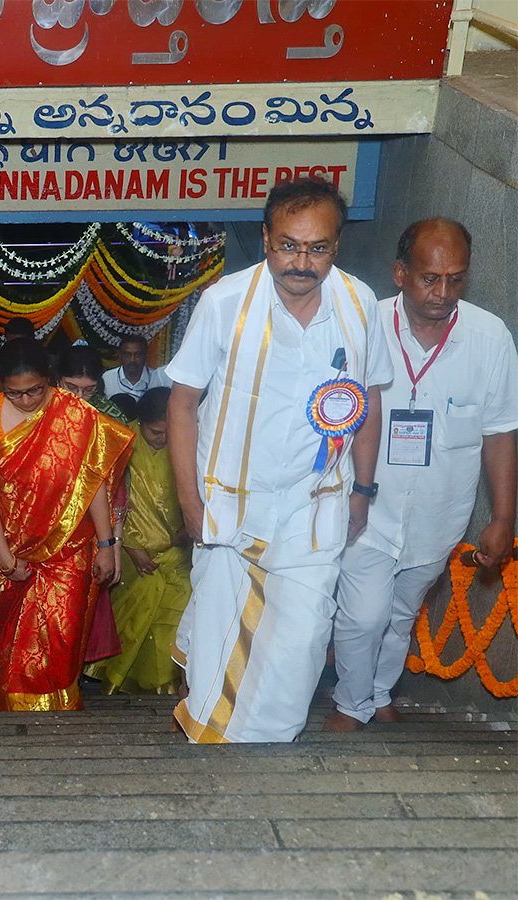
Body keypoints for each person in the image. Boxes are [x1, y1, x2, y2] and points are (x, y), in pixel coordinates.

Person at [165, 178, 392, 743]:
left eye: (317, 248)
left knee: (305, 635)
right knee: (223, 632)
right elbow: (182, 402)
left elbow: (369, 400)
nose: (301, 262)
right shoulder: (223, 303)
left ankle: (271, 742)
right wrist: (189, 503)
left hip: (316, 505)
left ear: (336, 246)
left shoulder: (360, 305)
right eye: (289, 245)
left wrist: (363, 489)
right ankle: (216, 745)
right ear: (265, 238)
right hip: (228, 504)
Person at [327, 219, 518, 731]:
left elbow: (500, 431)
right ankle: (350, 704)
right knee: (363, 613)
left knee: (402, 613)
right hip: (367, 502)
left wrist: (503, 516)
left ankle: (379, 692)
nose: (442, 293)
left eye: (456, 279)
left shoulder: (490, 338)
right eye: (430, 278)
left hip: (440, 509)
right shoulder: (363, 324)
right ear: (399, 273)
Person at [0, 338, 134, 711]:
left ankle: (59, 720)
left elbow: (92, 486)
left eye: (35, 391)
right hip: (11, 549)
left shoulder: (73, 413)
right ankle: (15, 721)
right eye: (14, 393)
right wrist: (8, 562)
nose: (26, 401)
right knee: (12, 647)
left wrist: (106, 546)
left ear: (49, 379)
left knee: (60, 639)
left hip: (70, 549)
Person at [84, 388, 192, 695]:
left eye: (168, 431)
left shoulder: (188, 440)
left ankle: (166, 686)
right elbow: (107, 497)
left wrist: (191, 526)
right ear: (139, 422)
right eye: (155, 432)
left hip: (177, 552)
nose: (163, 438)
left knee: (174, 617)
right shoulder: (122, 442)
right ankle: (121, 680)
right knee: (133, 620)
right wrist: (129, 545)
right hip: (128, 552)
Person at [58, 344, 132, 424]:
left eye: (89, 389)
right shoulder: (44, 404)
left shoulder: (110, 418)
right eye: (71, 387)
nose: (79, 396)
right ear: (58, 380)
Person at [102, 335, 171, 402]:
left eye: (138, 355)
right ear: (120, 355)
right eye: (127, 355)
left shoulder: (157, 379)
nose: (132, 360)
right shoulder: (107, 378)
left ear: (146, 355)